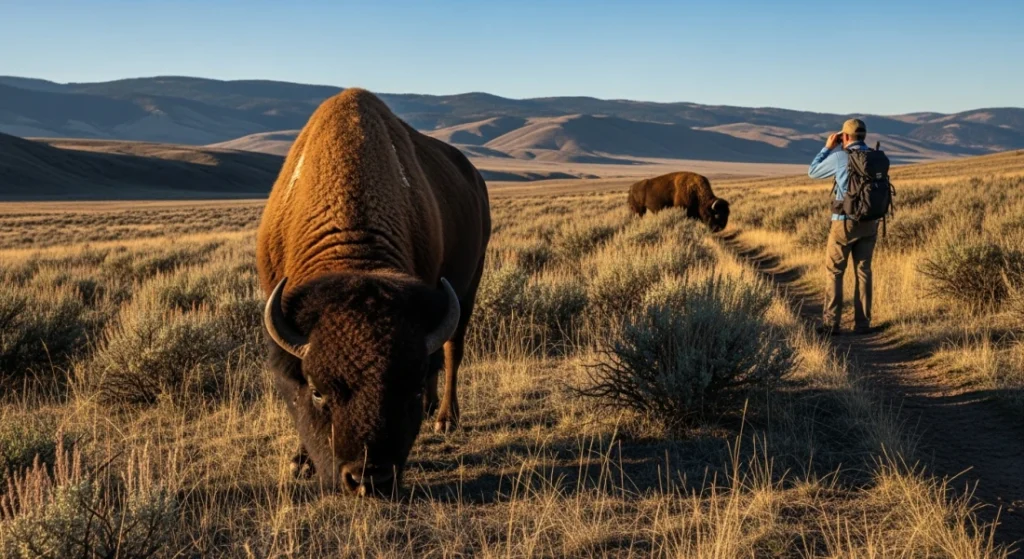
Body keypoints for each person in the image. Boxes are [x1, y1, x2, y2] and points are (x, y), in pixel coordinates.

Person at [807, 118, 878, 336]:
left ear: (844, 137)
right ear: (864, 136)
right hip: (870, 221)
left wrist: (827, 147)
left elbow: (813, 171)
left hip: (843, 223)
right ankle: (863, 324)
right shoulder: (876, 157)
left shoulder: (840, 156)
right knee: (863, 271)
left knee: (835, 272)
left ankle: (831, 323)